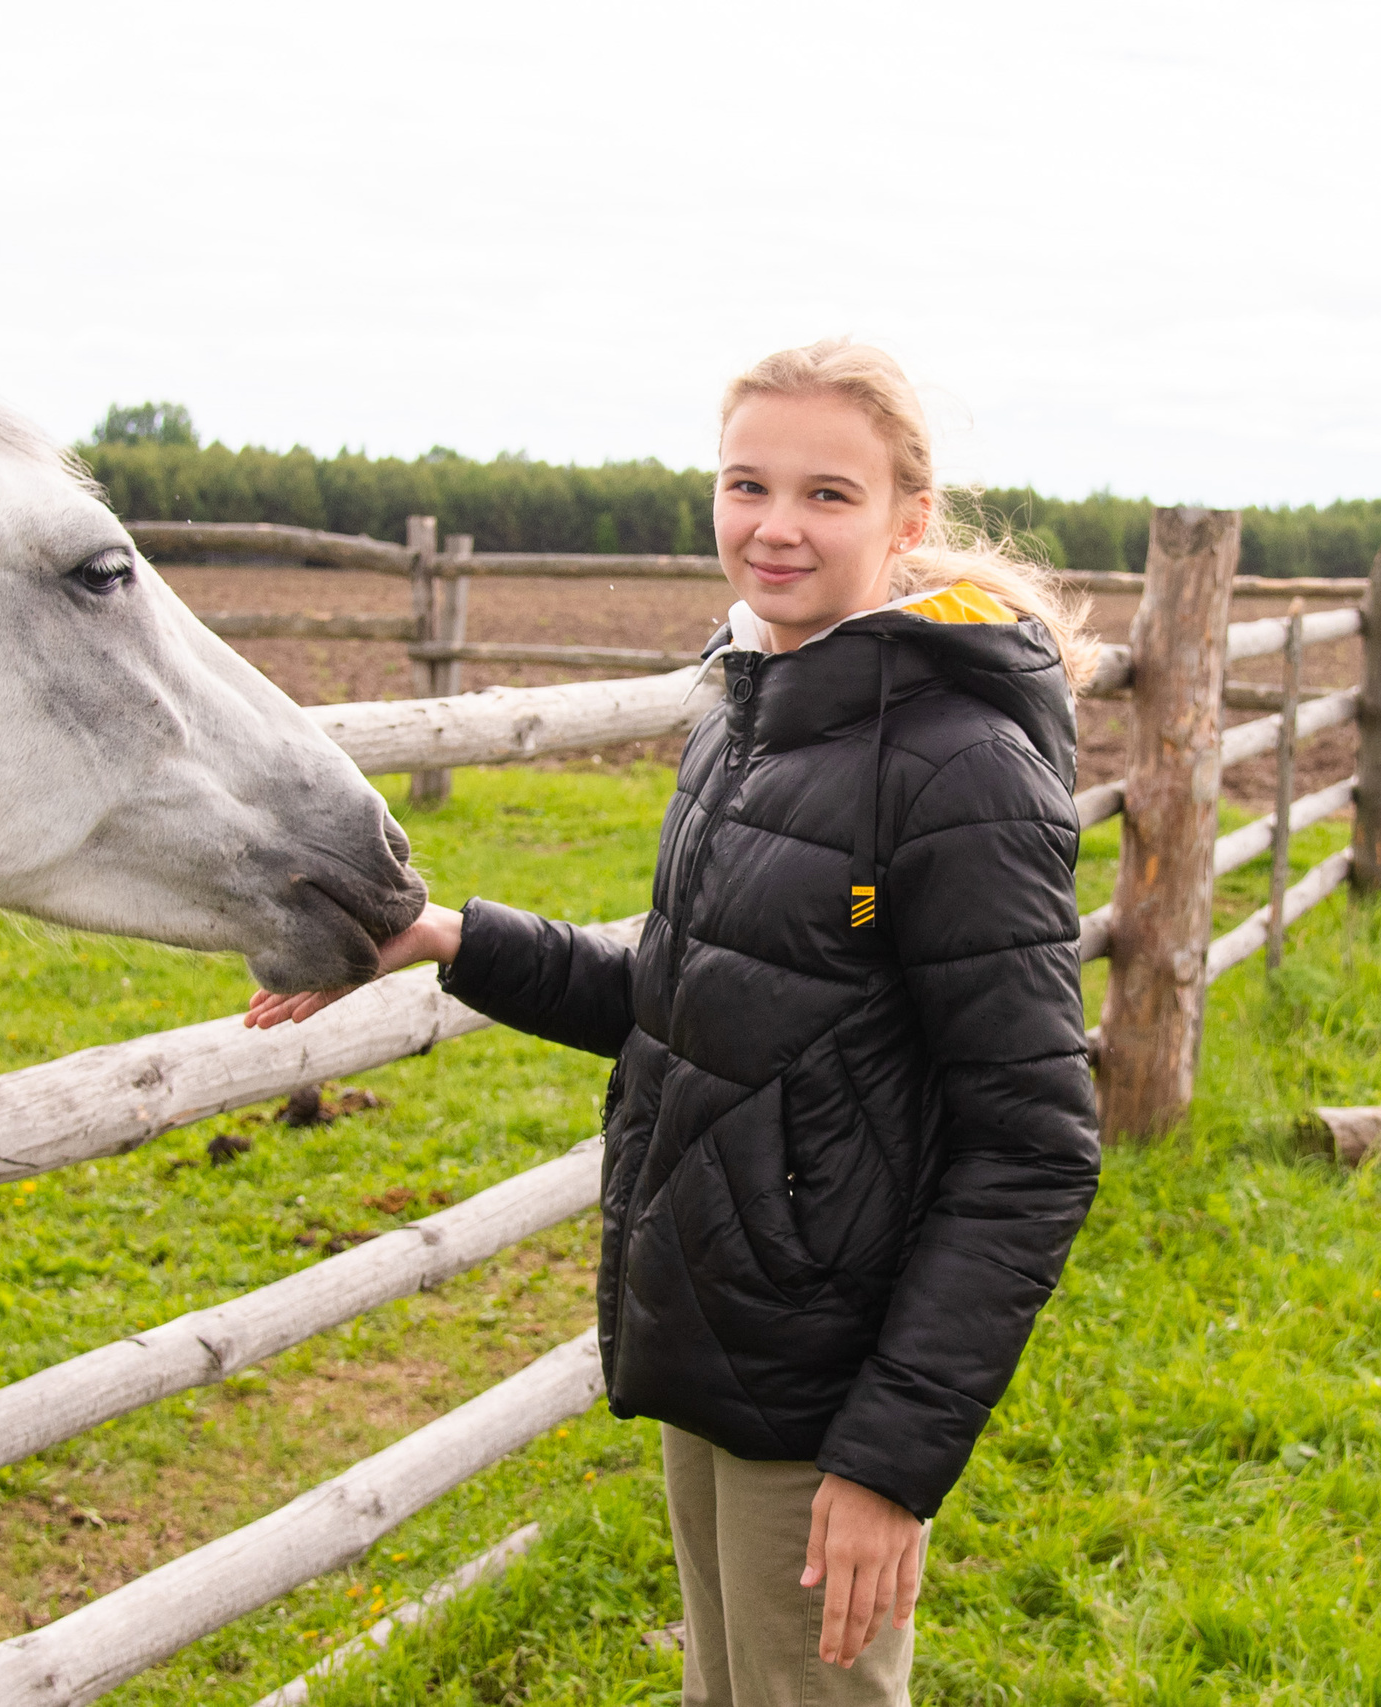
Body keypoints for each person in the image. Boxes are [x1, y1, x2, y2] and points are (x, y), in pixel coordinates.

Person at [247, 339, 1102, 1705]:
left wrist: (888, 1457)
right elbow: (690, 998)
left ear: (908, 522)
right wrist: (439, 939)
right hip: (714, 1339)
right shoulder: (748, 713)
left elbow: (1033, 1148)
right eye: (746, 483)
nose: (774, 527)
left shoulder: (961, 766)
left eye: (828, 494)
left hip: (827, 1385)